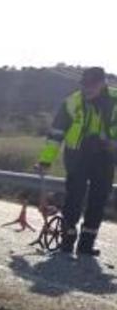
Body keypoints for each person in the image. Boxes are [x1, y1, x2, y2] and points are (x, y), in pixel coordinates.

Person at [37, 67, 116, 255]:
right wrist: (45, 160)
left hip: (106, 156)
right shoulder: (72, 102)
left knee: (98, 200)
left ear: (103, 83)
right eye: (85, 85)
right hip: (77, 156)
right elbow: (56, 134)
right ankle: (67, 241)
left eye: (93, 85)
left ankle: (86, 245)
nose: (88, 89)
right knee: (74, 198)